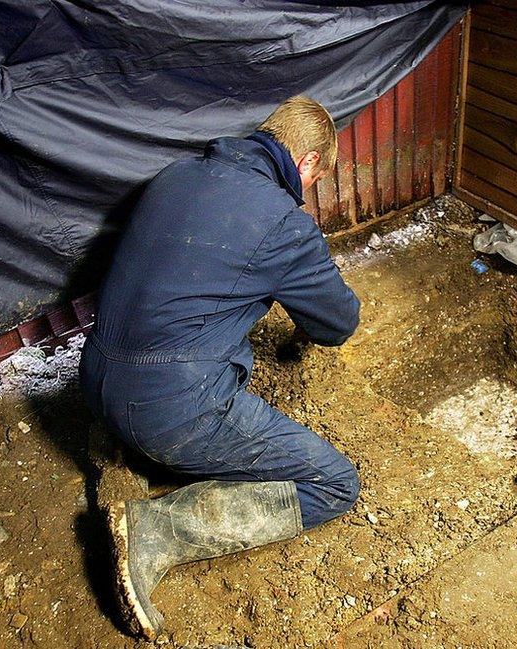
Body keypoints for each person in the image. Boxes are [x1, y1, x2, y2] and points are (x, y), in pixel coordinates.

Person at [78, 96, 361, 639]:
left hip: (94, 378)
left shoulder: (174, 176)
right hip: (166, 410)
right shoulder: (282, 222)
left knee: (222, 343)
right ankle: (156, 530)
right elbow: (338, 323)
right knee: (334, 483)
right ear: (306, 165)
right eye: (315, 179)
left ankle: (120, 438)